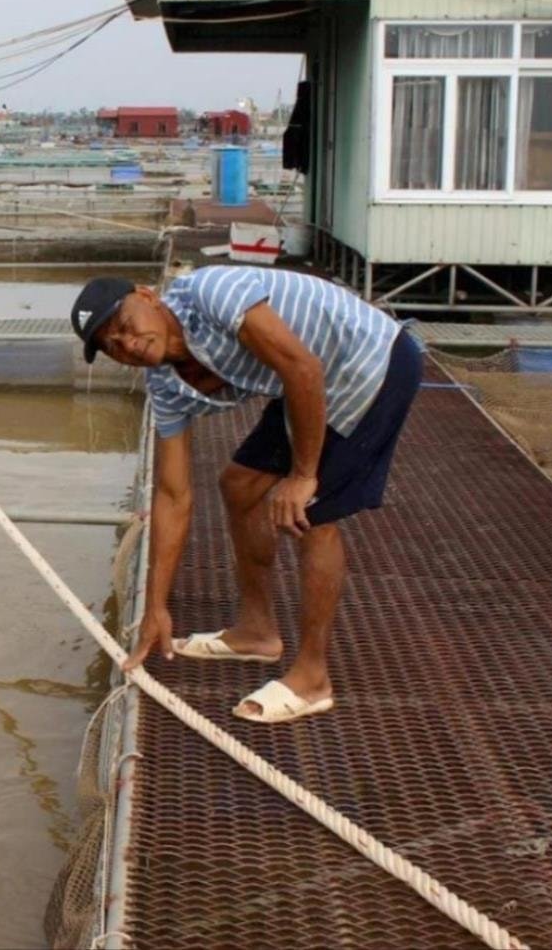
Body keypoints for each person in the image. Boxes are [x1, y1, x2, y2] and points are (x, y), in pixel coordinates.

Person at [70, 267, 421, 723]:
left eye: (123, 325)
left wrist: (303, 475)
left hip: (370, 363)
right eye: (111, 346)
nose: (127, 344)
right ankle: (257, 631)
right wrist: (156, 607)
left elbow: (302, 367)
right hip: (304, 380)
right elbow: (174, 494)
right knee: (239, 485)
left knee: (309, 513)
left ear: (147, 295)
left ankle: (312, 679)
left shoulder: (211, 293)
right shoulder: (165, 385)